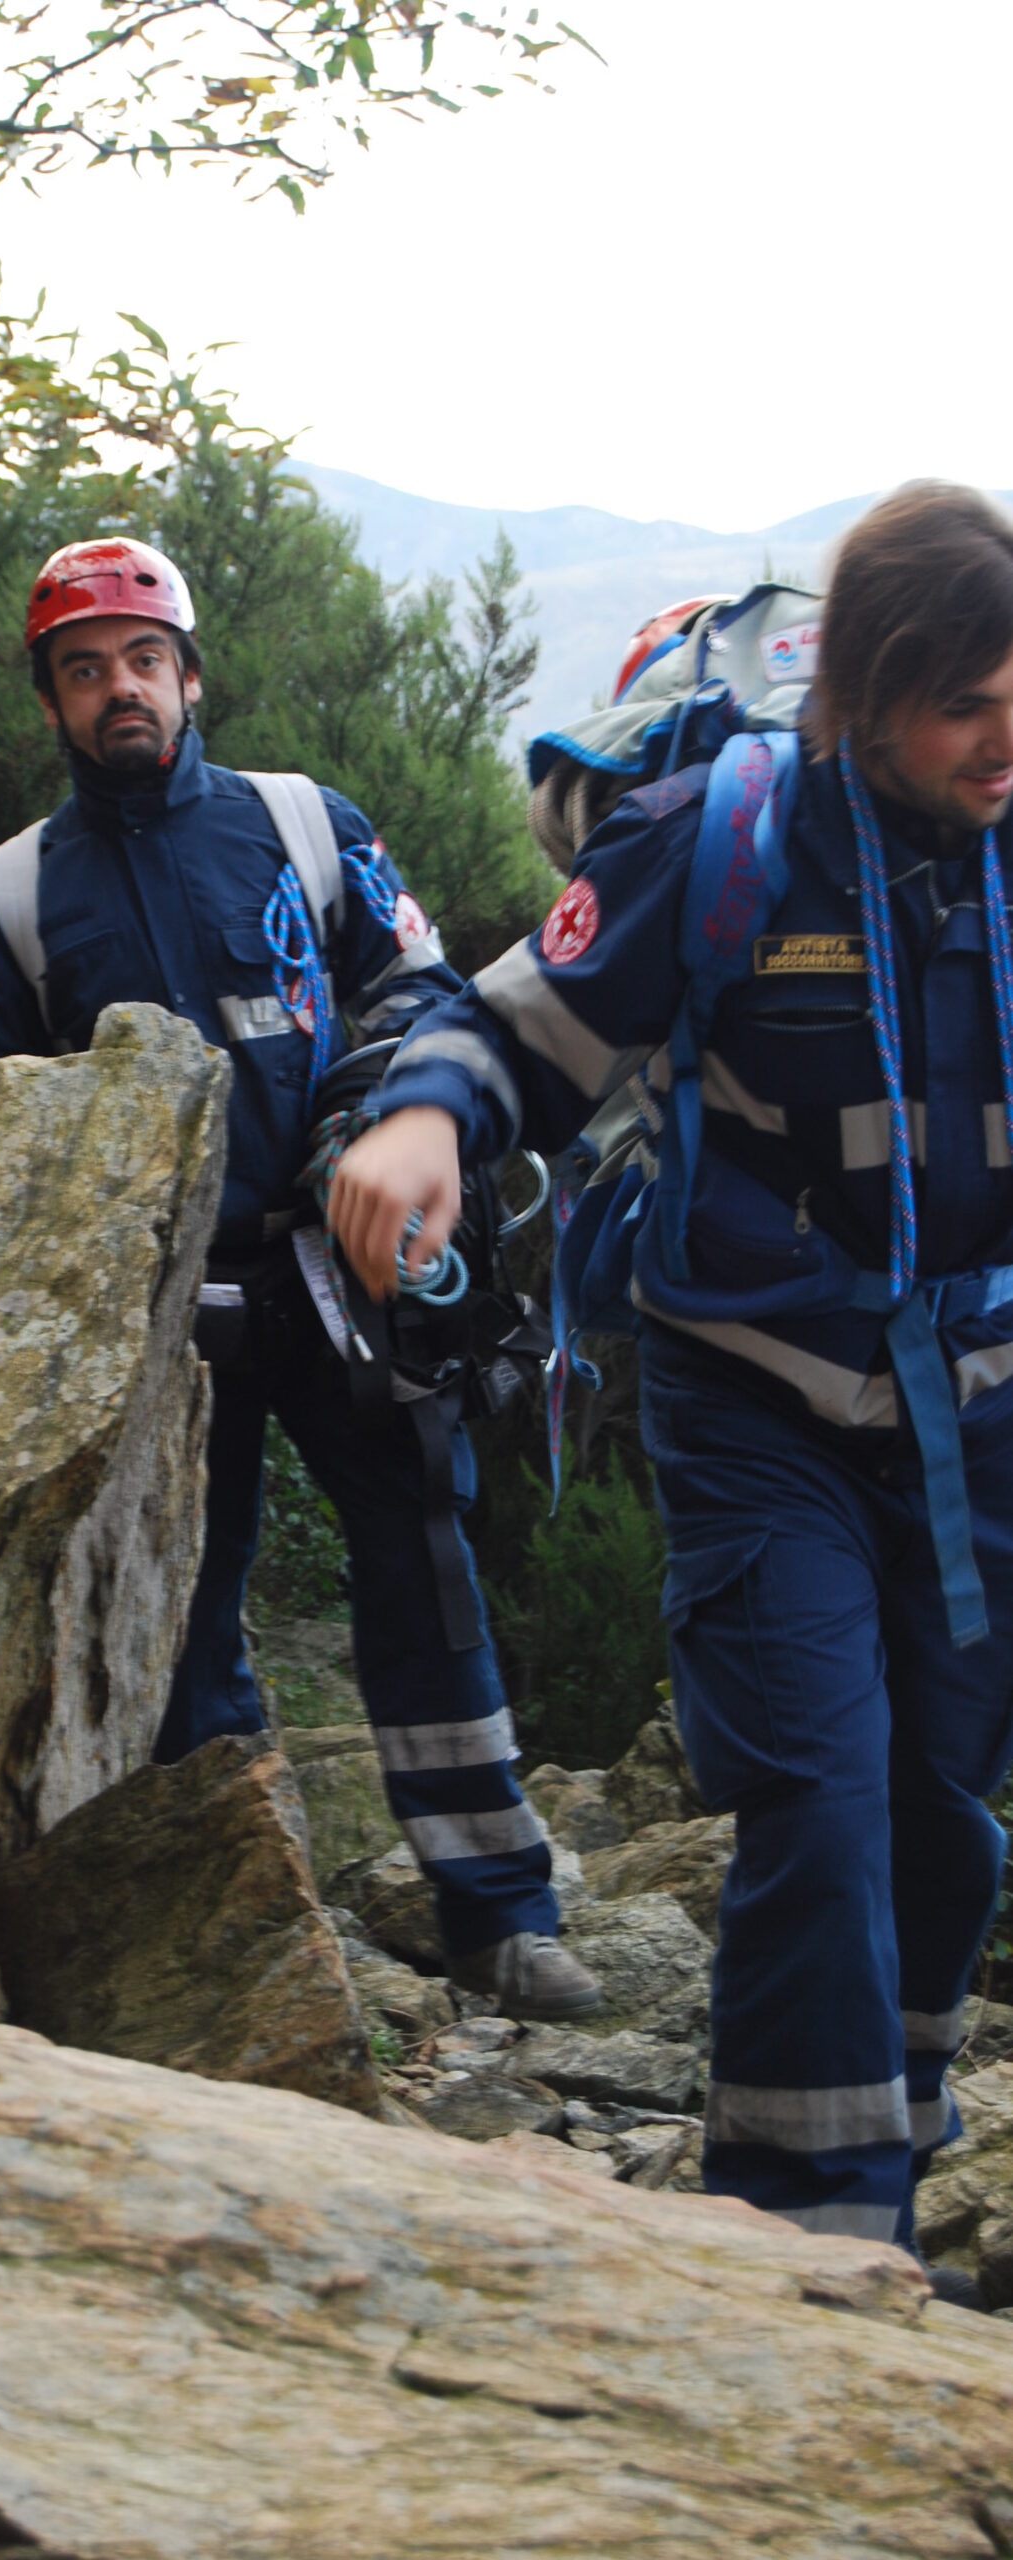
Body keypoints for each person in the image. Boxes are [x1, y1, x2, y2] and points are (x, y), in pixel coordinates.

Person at [329, 481, 1013, 2267]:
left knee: (943, 1805)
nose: (1002, 741)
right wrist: (417, 1125)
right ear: (859, 701)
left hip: (980, 1406)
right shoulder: (722, 836)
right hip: (755, 1400)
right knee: (818, 1793)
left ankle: (896, 2113)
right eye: (964, 708)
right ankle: (799, 2244)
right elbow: (509, 1031)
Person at [0, 534, 601, 2021]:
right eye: (85, 669)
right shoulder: (15, 897)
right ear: (50, 700)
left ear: (189, 673)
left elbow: (419, 988)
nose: (122, 689)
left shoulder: (302, 826)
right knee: (186, 1616)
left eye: (143, 660)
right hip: (162, 1315)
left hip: (334, 1271)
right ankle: (250, 1924)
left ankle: (499, 1917)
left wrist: (369, 1126)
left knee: (422, 1579)